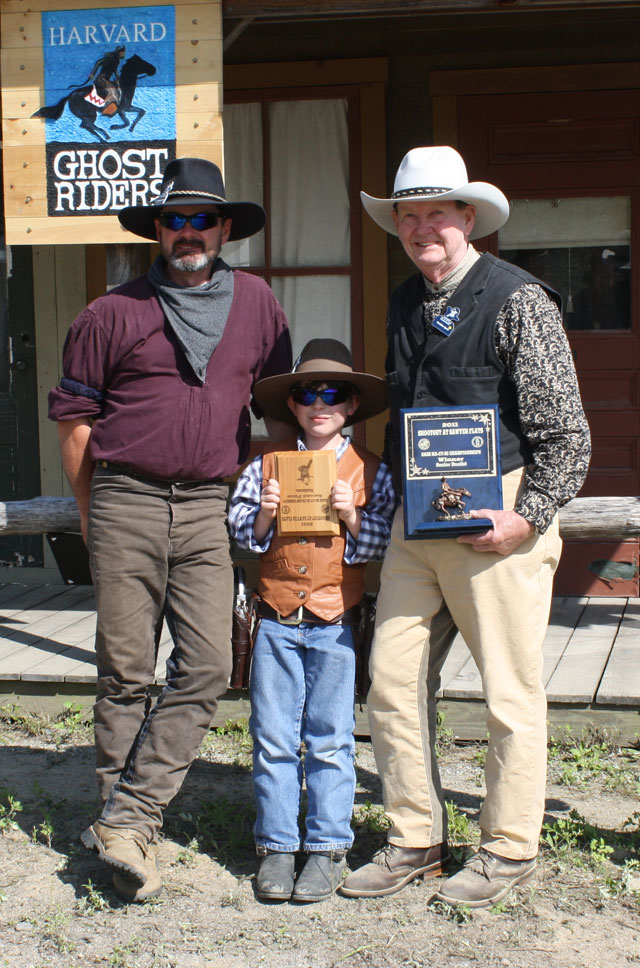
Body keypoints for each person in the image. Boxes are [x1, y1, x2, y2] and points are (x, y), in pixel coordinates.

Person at [340, 146, 591, 908]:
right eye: (408, 216)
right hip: (423, 516)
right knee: (391, 679)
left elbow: (569, 437)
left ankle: (509, 848)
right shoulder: (403, 300)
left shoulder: (519, 301)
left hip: (499, 516)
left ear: (468, 219)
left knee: (508, 694)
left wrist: (528, 518)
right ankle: (415, 838)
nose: (422, 229)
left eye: (436, 215)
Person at [47, 156, 292, 901]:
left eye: (202, 220)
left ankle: (130, 816)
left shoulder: (258, 304)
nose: (188, 232)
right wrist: (94, 512)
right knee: (125, 669)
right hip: (125, 497)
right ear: (157, 230)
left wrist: (274, 492)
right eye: (174, 220)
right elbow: (75, 420)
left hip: (211, 505)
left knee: (210, 664)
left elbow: (277, 410)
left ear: (223, 229)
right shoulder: (111, 312)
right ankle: (125, 832)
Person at [228, 339, 396, 903]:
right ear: (293, 404)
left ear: (350, 405)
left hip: (335, 620)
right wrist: (267, 514)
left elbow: (384, 540)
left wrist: (351, 515)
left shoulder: (373, 471)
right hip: (275, 616)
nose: (320, 403)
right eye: (308, 392)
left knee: (330, 738)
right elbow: (239, 534)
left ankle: (326, 847)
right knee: (272, 736)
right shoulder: (265, 465)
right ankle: (276, 845)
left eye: (333, 393)